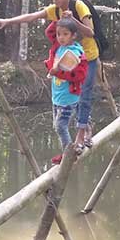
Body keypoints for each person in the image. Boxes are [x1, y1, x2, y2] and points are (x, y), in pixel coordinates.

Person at [0, 0, 100, 147]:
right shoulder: (55, 10)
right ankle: (86, 125)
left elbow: (90, 32)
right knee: (74, 94)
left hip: (86, 58)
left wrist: (72, 19)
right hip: (68, 62)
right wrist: (7, 22)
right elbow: (32, 17)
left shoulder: (79, 6)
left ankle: (81, 136)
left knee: (85, 95)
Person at [43, 18, 89, 164]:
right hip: (57, 96)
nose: (61, 37)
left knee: (60, 126)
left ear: (73, 35)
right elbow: (49, 32)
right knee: (57, 125)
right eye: (59, 34)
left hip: (68, 98)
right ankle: (87, 126)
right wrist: (57, 16)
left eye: (65, 34)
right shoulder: (59, 47)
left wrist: (56, 72)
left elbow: (78, 75)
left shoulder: (75, 53)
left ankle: (68, 156)